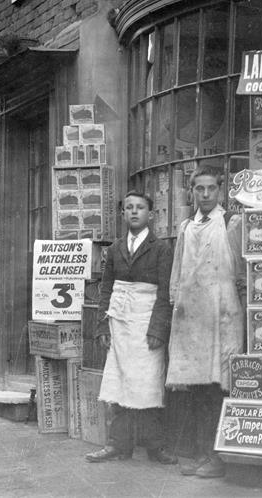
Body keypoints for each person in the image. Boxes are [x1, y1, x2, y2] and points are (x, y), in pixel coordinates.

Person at [85, 191, 177, 464]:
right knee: (120, 384)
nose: (134, 212)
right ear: (123, 214)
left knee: (148, 384)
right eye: (129, 208)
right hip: (120, 323)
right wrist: (103, 326)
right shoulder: (114, 249)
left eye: (140, 208)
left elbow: (164, 294)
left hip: (147, 322)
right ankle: (118, 445)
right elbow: (106, 289)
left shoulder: (161, 249)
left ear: (150, 214)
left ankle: (155, 447)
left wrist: (158, 329)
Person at [166, 166, 246, 478]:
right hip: (193, 320)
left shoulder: (231, 223)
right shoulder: (186, 227)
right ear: (191, 192)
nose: (206, 194)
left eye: (211, 188)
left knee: (220, 388)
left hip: (223, 316)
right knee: (198, 388)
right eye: (199, 189)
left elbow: (241, 271)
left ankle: (219, 458)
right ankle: (201, 453)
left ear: (221, 191)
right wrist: (178, 307)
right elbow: (177, 275)